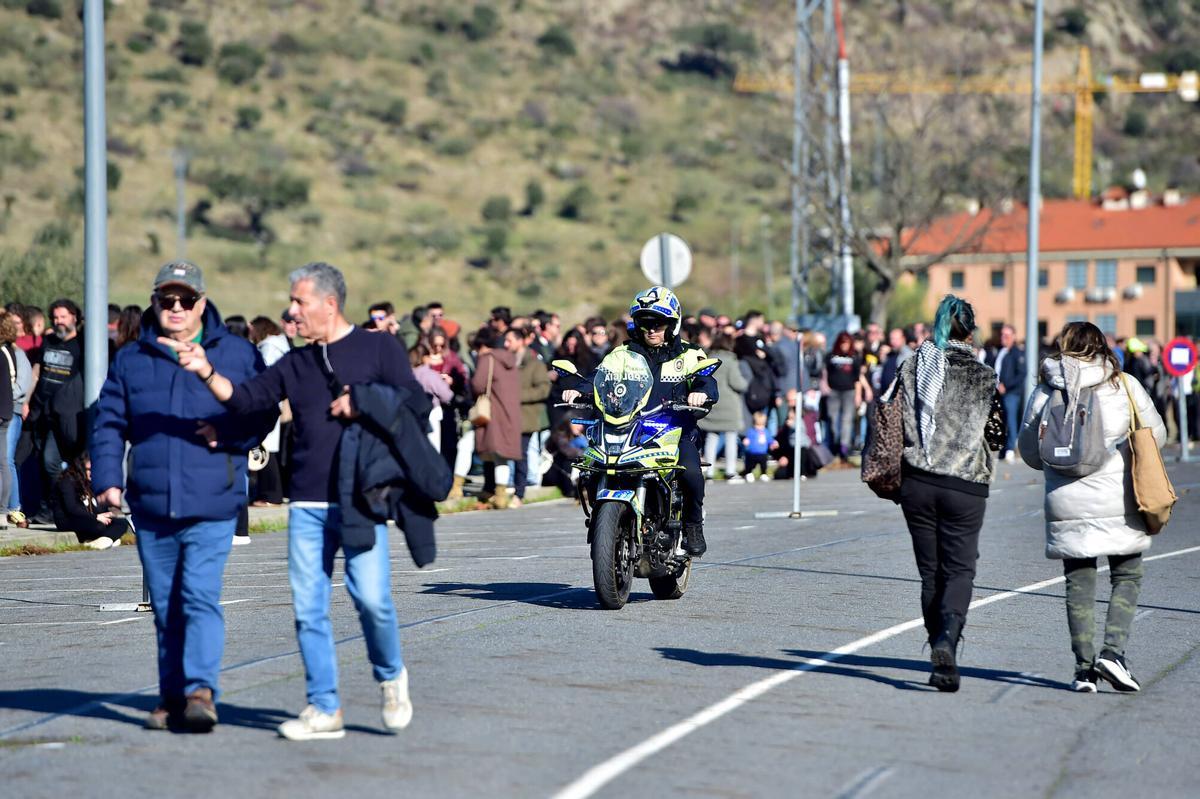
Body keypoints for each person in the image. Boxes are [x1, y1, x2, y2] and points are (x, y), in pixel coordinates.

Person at [167, 261, 421, 740]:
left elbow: (415, 402)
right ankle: (324, 707)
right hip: (306, 502)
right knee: (309, 609)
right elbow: (246, 400)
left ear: (330, 304)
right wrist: (204, 370)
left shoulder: (379, 348)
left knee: (372, 600)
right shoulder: (295, 363)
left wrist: (363, 401)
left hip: (362, 498)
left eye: (299, 302)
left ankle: (391, 676)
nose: (291, 311)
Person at [91, 260, 274, 732]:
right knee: (167, 605)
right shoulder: (132, 358)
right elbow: (109, 420)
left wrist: (228, 429)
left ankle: (200, 691)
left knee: (198, 595)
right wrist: (107, 478)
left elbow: (262, 414)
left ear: (202, 304)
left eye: (185, 300)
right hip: (152, 503)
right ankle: (171, 695)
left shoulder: (234, 353)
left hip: (213, 499)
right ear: (155, 303)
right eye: (166, 300)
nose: (176, 308)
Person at [1018, 322, 1166, 693]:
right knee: (1127, 575)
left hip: (1066, 503)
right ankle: (1112, 653)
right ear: (1102, 346)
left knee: (1078, 582)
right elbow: (1156, 436)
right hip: (1119, 499)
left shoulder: (1045, 389)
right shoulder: (1124, 385)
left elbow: (1030, 453)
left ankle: (1083, 671)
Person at [895, 295, 1005, 692]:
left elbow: (891, 416)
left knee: (930, 572)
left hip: (918, 480)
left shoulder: (913, 366)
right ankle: (947, 642)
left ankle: (937, 644)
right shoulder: (984, 375)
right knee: (959, 569)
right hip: (966, 482)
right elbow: (997, 434)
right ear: (970, 331)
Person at [561, 286, 717, 557]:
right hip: (627, 427)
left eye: (658, 323)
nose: (651, 329)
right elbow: (601, 379)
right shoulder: (622, 354)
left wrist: (701, 393)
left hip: (673, 431)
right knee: (591, 466)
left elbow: (706, 380)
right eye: (645, 323)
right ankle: (604, 523)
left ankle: (693, 526)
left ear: (672, 324)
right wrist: (581, 391)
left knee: (691, 471)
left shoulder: (690, 355)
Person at [30, 299, 84, 522]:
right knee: (45, 461)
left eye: (63, 317)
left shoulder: (82, 345)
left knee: (62, 461)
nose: (58, 322)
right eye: (55, 317)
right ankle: (52, 506)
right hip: (44, 410)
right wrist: (26, 400)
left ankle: (70, 505)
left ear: (74, 318)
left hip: (71, 415)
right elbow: (37, 371)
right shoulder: (48, 341)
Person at [471, 327, 522, 510]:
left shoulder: (488, 359)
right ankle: (501, 495)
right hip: (511, 412)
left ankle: (494, 494)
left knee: (492, 452)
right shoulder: (511, 359)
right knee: (503, 455)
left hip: (494, 412)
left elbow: (477, 384)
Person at [698, 330, 748, 482]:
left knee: (711, 438)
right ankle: (730, 471)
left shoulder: (708, 358)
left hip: (712, 403)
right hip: (729, 406)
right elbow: (738, 383)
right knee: (731, 438)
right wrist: (746, 383)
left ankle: (710, 472)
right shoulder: (730, 361)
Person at [54, 453, 130, 549]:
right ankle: (108, 538)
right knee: (98, 526)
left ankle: (104, 539)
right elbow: (72, 508)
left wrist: (104, 514)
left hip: (89, 517)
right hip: (69, 520)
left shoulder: (88, 482)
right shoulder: (67, 481)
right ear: (80, 468)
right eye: (89, 470)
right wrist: (96, 517)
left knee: (121, 522)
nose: (92, 472)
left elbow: (96, 506)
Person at [513, 324, 550, 508]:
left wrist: (519, 396)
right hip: (506, 416)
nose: (506, 343)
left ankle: (519, 492)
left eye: (510, 340)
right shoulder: (506, 361)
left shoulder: (535, 363)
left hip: (526, 416)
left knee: (521, 453)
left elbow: (544, 389)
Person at [1, 313, 32, 528]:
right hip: (7, 408)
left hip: (11, 410)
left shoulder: (16, 353)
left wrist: (6, 398)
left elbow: (23, 383)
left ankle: (14, 508)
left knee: (7, 459)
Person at [824, 331, 871, 460]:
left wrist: (858, 395)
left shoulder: (854, 357)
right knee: (833, 418)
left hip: (849, 391)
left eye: (847, 343)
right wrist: (825, 387)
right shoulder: (830, 356)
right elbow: (825, 372)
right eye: (843, 343)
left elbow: (857, 378)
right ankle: (835, 442)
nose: (845, 346)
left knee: (847, 419)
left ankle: (844, 446)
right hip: (834, 391)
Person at [988, 324, 1025, 461]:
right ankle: (1002, 449)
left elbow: (1021, 374)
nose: (1004, 338)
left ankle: (1010, 449)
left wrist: (1006, 386)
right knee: (1000, 421)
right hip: (998, 392)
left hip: (1011, 393)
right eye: (1002, 335)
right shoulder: (1000, 351)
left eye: (1007, 335)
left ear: (1013, 337)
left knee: (1011, 420)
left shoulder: (1016, 353)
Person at [741, 411, 774, 482]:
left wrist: (773, 443)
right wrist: (746, 441)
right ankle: (749, 473)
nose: (759, 427)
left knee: (764, 464)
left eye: (761, 425)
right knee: (750, 464)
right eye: (757, 425)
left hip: (762, 453)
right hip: (752, 453)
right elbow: (748, 438)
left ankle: (763, 473)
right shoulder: (751, 431)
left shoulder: (766, 431)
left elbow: (770, 439)